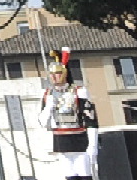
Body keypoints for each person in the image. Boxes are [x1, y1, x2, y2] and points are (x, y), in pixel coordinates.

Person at [42, 50, 97, 180]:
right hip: (62, 143)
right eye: (52, 74)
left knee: (85, 175)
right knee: (70, 176)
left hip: (79, 141)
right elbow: (43, 122)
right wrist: (49, 107)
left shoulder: (79, 92)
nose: (55, 77)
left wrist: (93, 145)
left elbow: (91, 120)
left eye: (58, 73)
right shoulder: (48, 94)